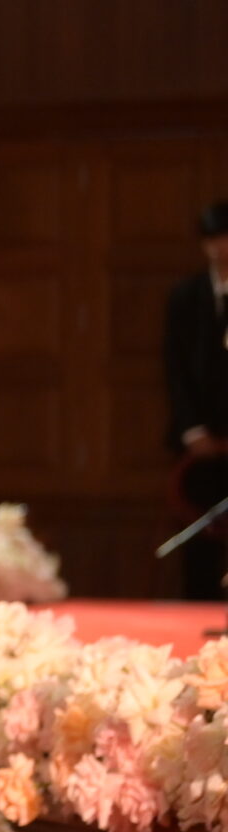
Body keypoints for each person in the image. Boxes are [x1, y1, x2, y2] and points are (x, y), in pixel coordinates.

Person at [162, 200, 228, 600]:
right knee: (200, 538)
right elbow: (175, 366)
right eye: (213, 239)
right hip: (200, 442)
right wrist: (192, 430)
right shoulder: (186, 296)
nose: (221, 248)